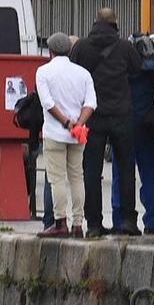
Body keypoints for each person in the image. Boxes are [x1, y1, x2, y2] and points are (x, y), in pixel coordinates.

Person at [69, 8, 142, 237]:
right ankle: (128, 221)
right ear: (115, 24)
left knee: (91, 171)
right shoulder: (124, 47)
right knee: (126, 168)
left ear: (95, 22)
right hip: (121, 114)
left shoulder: (81, 47)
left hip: (92, 116)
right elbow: (137, 70)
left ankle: (94, 224)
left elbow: (73, 73)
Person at [35, 32, 97, 238]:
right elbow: (91, 104)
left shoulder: (43, 72)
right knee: (77, 178)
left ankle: (60, 222)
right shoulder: (83, 73)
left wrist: (65, 123)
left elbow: (47, 103)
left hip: (54, 133)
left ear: (50, 51)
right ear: (69, 50)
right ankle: (78, 224)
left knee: (57, 179)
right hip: (78, 135)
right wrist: (78, 123)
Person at [112, 34, 154, 234]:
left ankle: (119, 219)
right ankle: (152, 221)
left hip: (123, 123)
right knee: (150, 173)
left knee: (120, 174)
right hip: (146, 125)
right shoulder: (150, 72)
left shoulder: (121, 69)